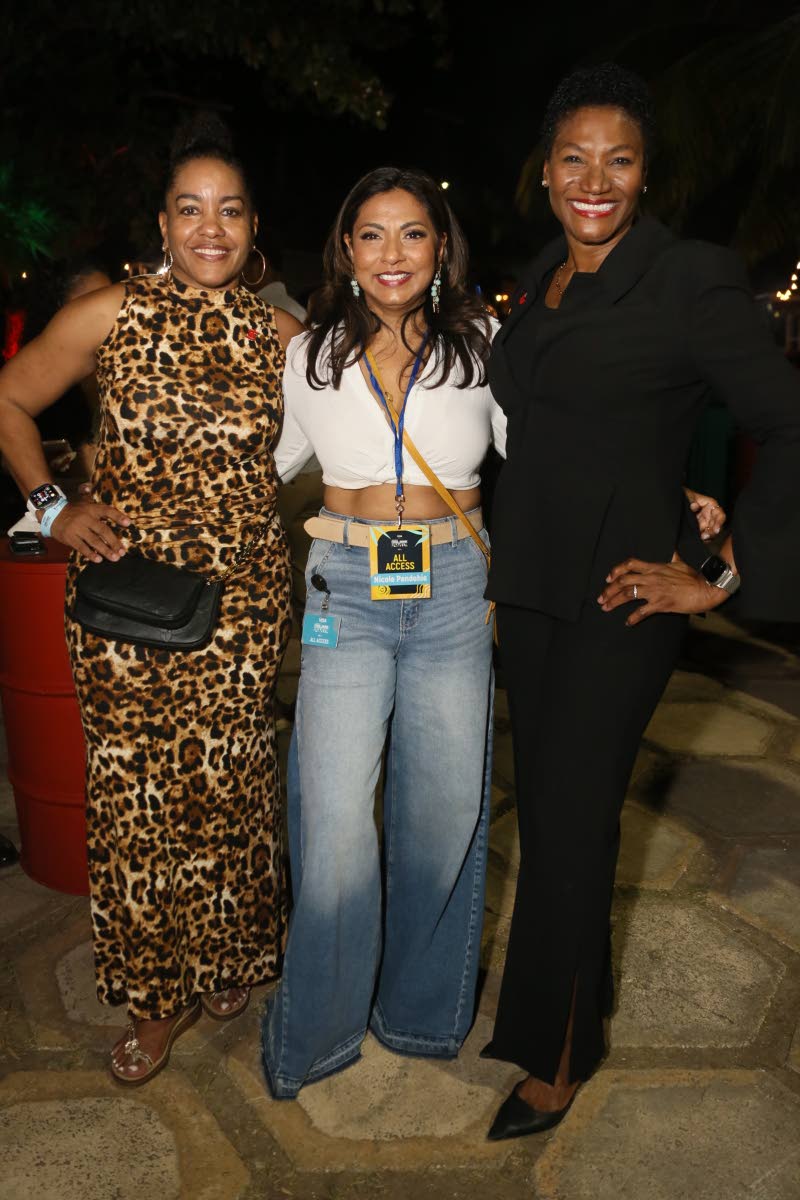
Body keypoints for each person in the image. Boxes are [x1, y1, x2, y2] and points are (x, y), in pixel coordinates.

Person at [481, 63, 800, 1141]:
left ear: (645, 172)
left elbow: (787, 420)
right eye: (573, 157)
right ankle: (556, 1019)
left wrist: (717, 571)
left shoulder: (688, 276)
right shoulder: (541, 275)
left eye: (618, 160)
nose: (593, 179)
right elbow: (561, 425)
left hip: (621, 603)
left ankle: (557, 1055)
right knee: (552, 818)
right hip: (529, 592)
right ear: (544, 167)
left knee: (569, 828)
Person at [0, 113, 303, 1084]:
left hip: (246, 604)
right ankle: (152, 996)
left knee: (231, 787)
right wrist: (53, 509)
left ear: (254, 228)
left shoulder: (283, 336)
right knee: (138, 799)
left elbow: (387, 423)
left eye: (229, 211)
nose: (209, 229)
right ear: (162, 225)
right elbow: (7, 400)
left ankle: (226, 954)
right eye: (189, 210)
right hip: (129, 608)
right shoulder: (110, 315)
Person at [261, 166, 505, 1098]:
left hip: (452, 584)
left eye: (412, 234)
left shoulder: (483, 343)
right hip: (344, 588)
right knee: (330, 820)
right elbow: (267, 459)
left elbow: (552, 443)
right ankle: (318, 1030)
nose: (391, 253)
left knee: (441, 815)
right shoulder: (312, 352)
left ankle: (416, 1013)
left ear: (441, 248)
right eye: (372, 234)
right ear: (345, 249)